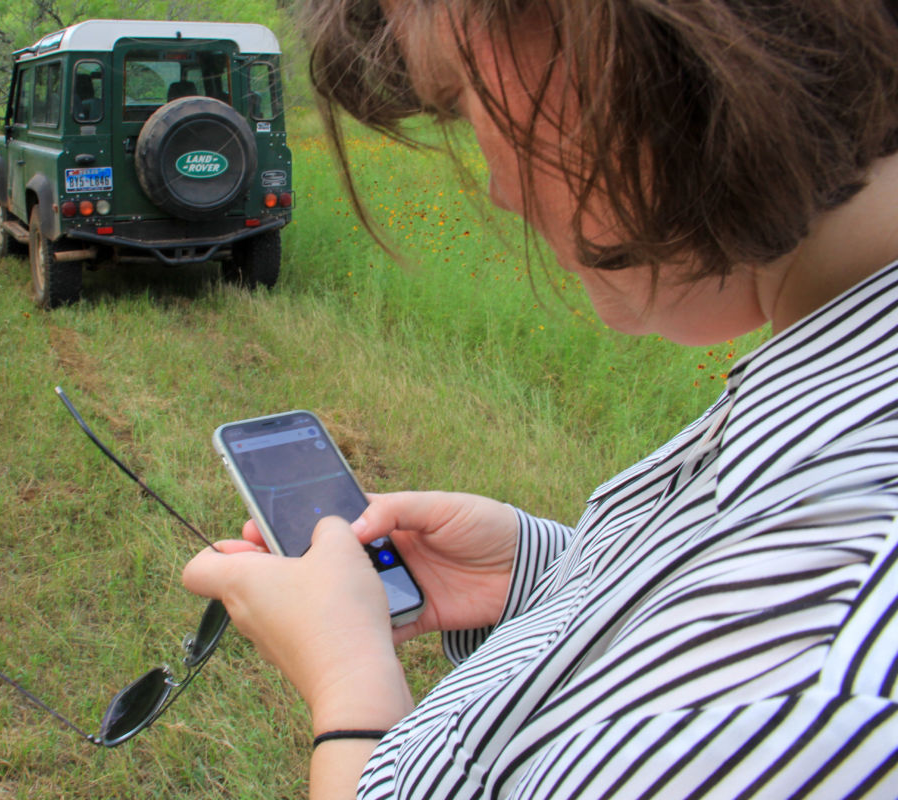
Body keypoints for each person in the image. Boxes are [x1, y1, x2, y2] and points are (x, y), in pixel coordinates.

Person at [184, 1, 898, 796]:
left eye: (461, 101)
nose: (498, 189)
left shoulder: (812, 695)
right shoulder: (839, 408)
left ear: (612, 41)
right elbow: (714, 593)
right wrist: (541, 575)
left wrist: (352, 690)